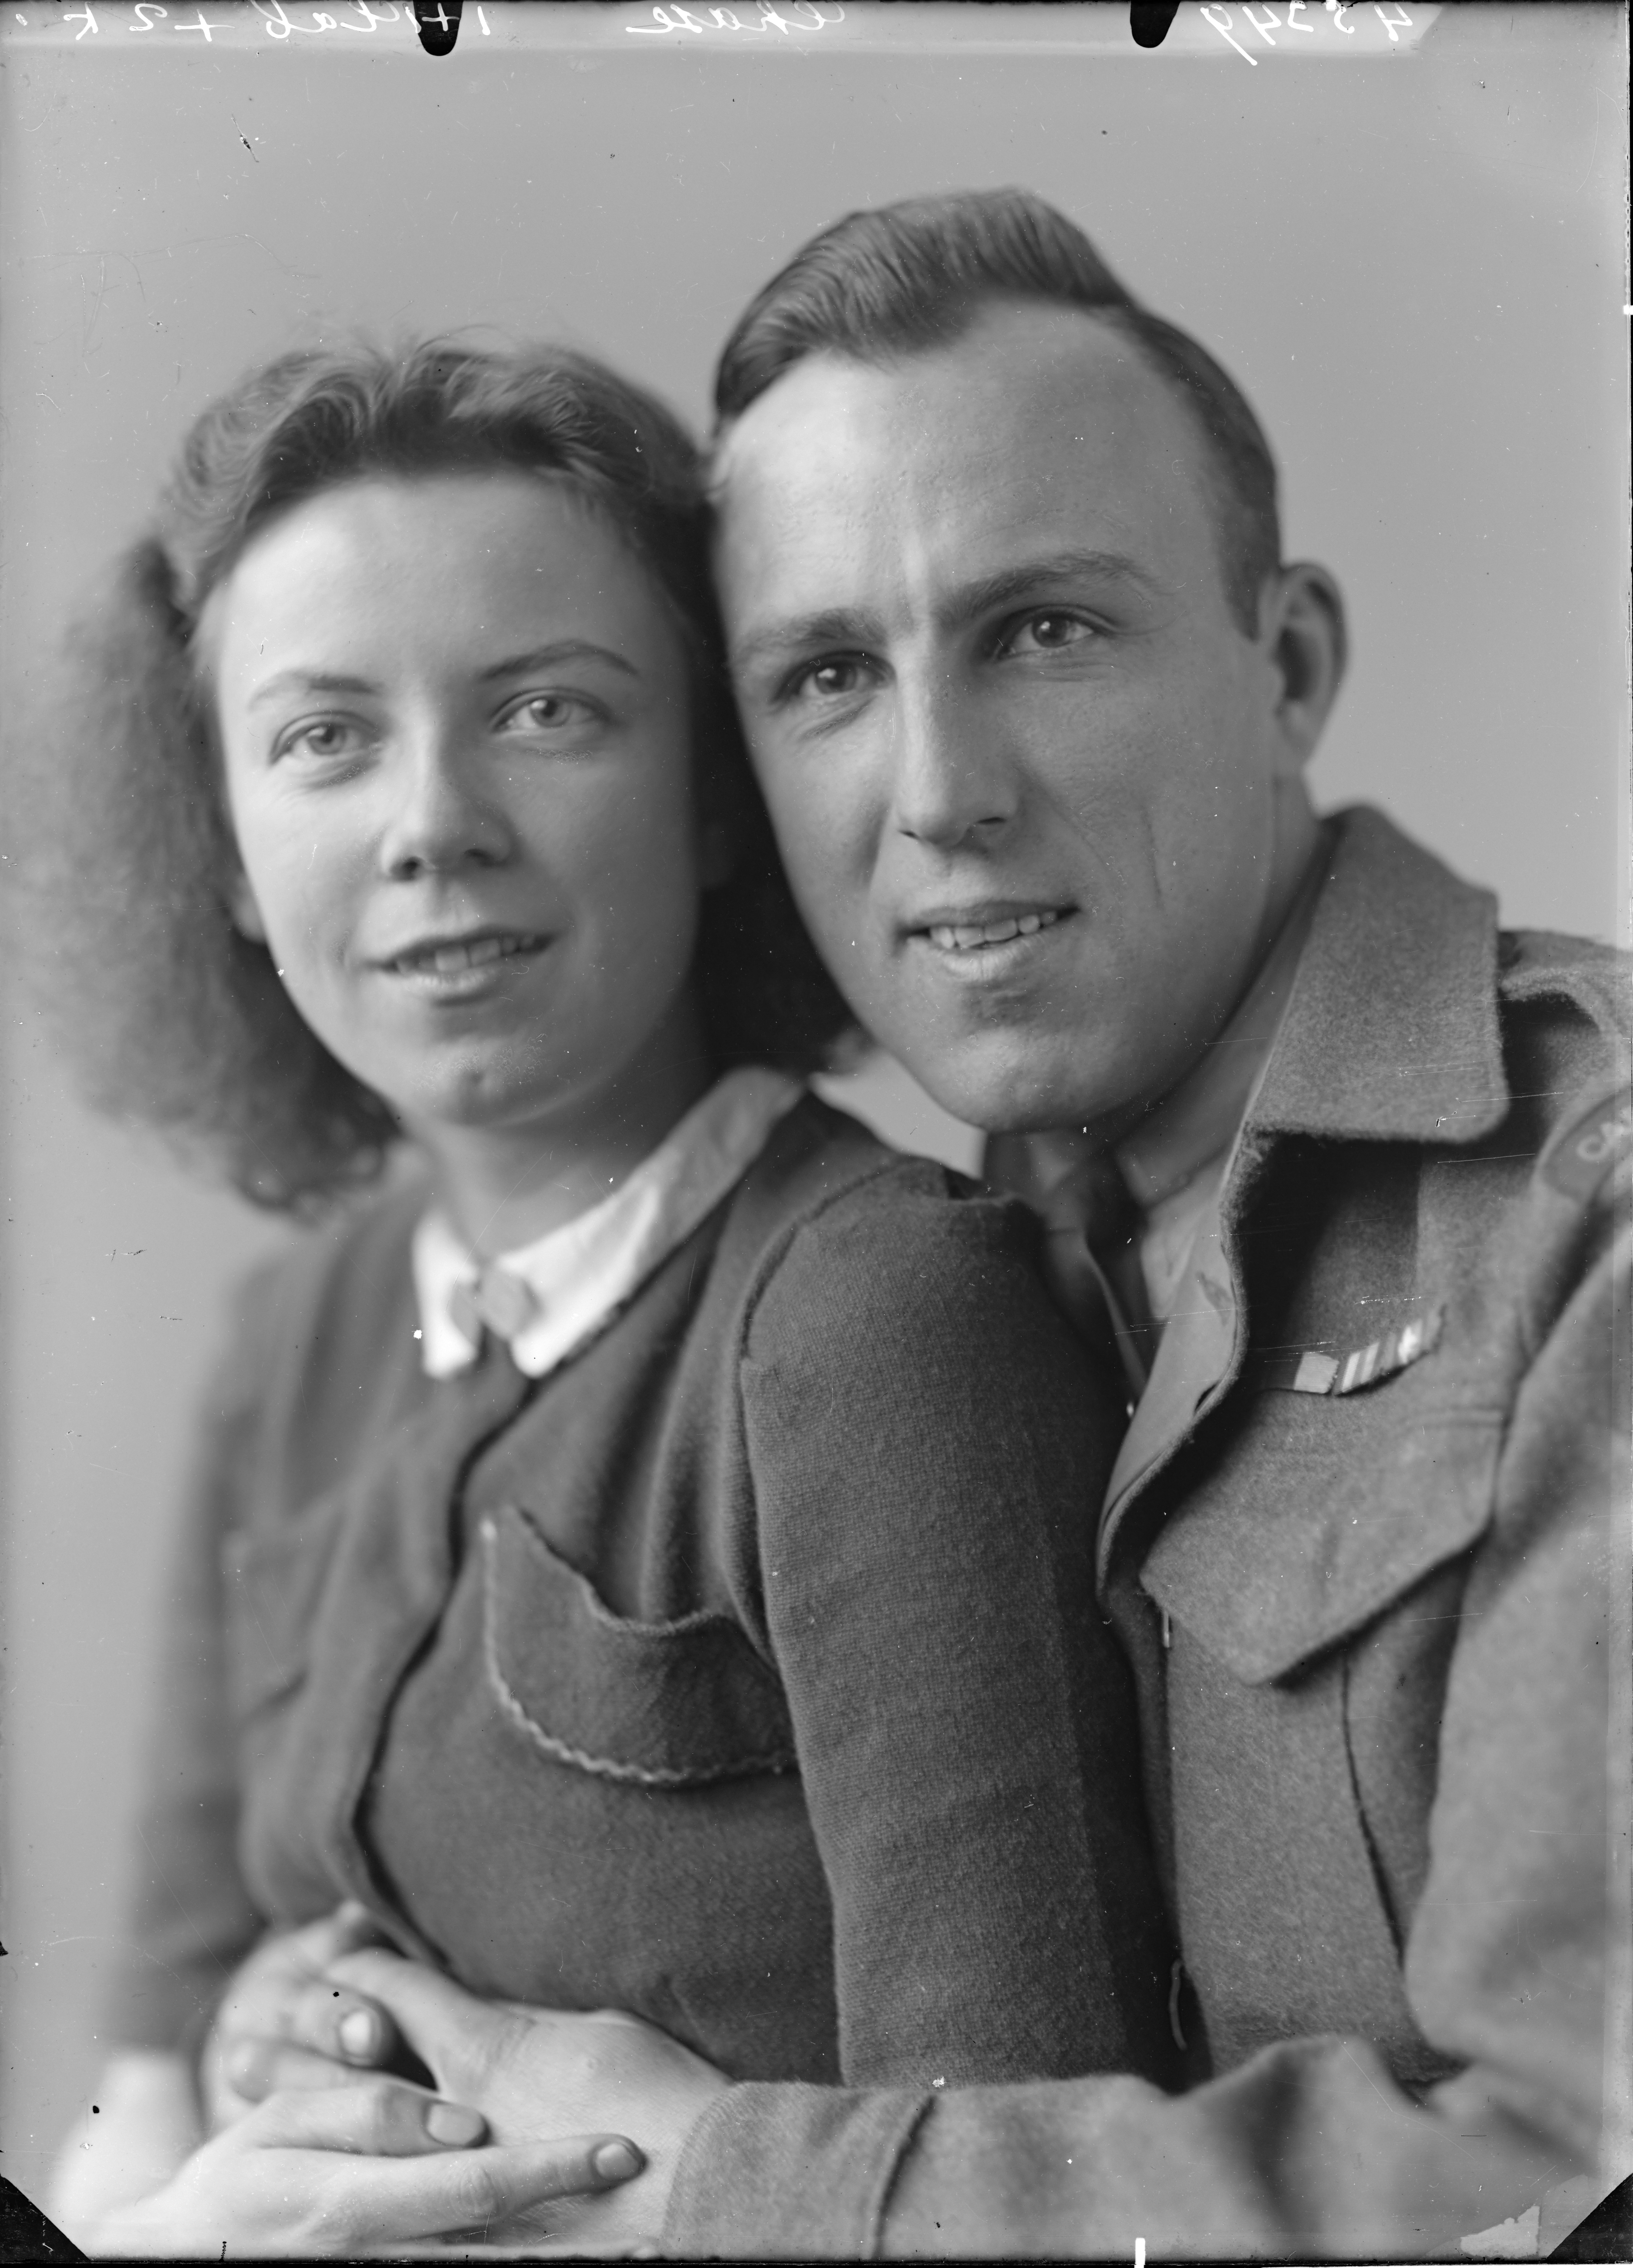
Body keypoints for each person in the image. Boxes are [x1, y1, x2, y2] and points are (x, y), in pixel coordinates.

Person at [198, 191, 1629, 2259]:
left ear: (1292, 660)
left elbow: (1580, 2175)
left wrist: (719, 2180)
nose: (940, 789)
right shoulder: (990, 1224)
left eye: (1045, 630)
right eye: (826, 675)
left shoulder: (1589, 1219)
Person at [36, 331, 1180, 2257]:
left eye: (546, 709)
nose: (434, 822)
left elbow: (1019, 2176)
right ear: (220, 848)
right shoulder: (296, 1343)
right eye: (324, 738)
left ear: (717, 792)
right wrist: (237, 2082)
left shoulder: (872, 1319)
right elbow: (148, 2066)